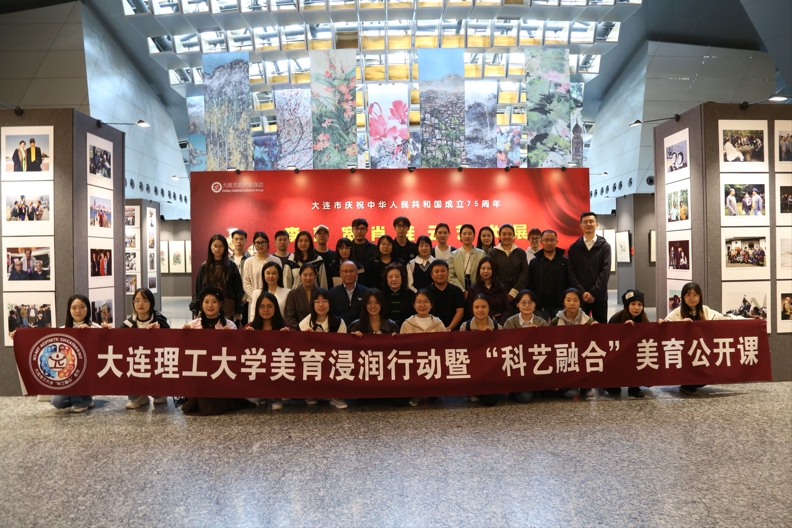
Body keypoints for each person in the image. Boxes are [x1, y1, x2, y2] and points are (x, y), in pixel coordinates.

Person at [181, 288, 255, 416]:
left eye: (214, 302)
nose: (210, 305)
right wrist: (185, 335)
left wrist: (229, 338)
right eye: (206, 302)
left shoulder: (230, 325)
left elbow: (236, 353)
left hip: (221, 371)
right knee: (204, 407)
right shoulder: (192, 325)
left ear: (220, 304)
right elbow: (184, 351)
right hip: (201, 373)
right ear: (201, 304)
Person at [659, 282, 734, 396]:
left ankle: (692, 382)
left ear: (700, 296)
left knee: (707, 374)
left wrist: (751, 321)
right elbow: (667, 327)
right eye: (688, 295)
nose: (692, 298)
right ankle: (686, 383)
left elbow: (724, 319)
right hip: (684, 354)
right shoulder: (677, 313)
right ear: (683, 297)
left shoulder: (706, 310)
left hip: (701, 352)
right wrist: (675, 325)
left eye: (695, 294)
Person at [48, 294, 101, 412]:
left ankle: (82, 401)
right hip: (67, 374)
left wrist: (93, 333)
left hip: (87, 374)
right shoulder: (62, 330)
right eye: (74, 308)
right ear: (69, 310)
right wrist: (18, 336)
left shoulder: (95, 328)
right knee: (57, 402)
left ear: (88, 308)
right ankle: (85, 399)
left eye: (82, 307)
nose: (78, 311)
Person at [298, 288, 349, 410]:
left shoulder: (339, 323)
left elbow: (343, 347)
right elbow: (298, 349)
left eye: (324, 301)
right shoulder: (304, 324)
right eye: (317, 301)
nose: (321, 305)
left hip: (332, 361)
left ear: (330, 303)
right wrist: (306, 338)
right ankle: (311, 393)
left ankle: (335, 395)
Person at [123, 288, 171, 409]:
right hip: (137, 360)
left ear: (151, 302)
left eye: (145, 300)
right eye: (137, 300)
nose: (140, 304)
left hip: (155, 360)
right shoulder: (128, 323)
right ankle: (138, 397)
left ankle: (159, 393)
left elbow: (170, 342)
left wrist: (159, 333)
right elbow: (117, 341)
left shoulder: (160, 321)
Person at [244, 290, 290, 410]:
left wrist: (287, 337)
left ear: (276, 308)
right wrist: (247, 337)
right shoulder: (249, 328)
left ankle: (275, 397)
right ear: (257, 309)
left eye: (269, 306)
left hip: (276, 372)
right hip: (257, 371)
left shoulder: (284, 328)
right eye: (262, 307)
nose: (265, 310)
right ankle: (262, 396)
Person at [550, 288, 597, 400]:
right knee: (571, 393)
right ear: (563, 302)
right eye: (568, 300)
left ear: (580, 302)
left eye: (575, 300)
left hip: (581, 358)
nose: (572, 303)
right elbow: (549, 341)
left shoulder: (588, 320)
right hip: (563, 359)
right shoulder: (556, 321)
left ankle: (585, 386)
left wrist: (596, 329)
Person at [459, 294, 504, 406]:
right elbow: (461, 350)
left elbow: (503, 350)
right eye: (477, 307)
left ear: (489, 308)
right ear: (472, 309)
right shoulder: (465, 326)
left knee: (490, 401)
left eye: (484, 307)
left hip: (491, 371)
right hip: (472, 369)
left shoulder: (497, 327)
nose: (480, 310)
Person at [567, 212, 611, 323]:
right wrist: (582, 292)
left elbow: (605, 272)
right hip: (579, 297)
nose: (588, 224)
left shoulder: (604, 246)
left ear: (597, 224)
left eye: (591, 221)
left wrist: (593, 293)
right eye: (585, 222)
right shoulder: (574, 247)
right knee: (580, 328)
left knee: (600, 328)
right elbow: (571, 272)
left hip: (599, 296)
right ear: (580, 225)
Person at [605, 289, 649, 399]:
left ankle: (634, 386)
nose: (636, 308)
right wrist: (624, 330)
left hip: (634, 355)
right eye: (633, 304)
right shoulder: (616, 319)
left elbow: (649, 338)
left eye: (640, 304)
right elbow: (608, 343)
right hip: (617, 355)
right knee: (614, 391)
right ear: (627, 305)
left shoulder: (643, 319)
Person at [192, 234, 244, 324]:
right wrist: (196, 308)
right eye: (215, 246)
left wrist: (238, 308)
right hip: (208, 304)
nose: (217, 249)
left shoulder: (231, 266)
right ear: (211, 247)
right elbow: (198, 290)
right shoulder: (204, 266)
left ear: (225, 248)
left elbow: (238, 289)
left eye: (221, 246)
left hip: (227, 304)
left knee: (226, 329)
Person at [528, 229, 570, 320]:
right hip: (540, 306)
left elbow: (569, 283)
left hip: (560, 305)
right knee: (541, 328)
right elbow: (530, 284)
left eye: (552, 240)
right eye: (546, 240)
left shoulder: (565, 261)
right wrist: (532, 302)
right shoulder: (534, 262)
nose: (549, 243)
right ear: (541, 242)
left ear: (556, 241)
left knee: (560, 328)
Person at [242, 231, 282, 322]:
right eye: (257, 243)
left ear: (267, 243)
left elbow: (279, 280)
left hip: (273, 300)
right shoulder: (249, 261)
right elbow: (246, 283)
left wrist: (270, 298)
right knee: (255, 325)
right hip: (254, 301)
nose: (260, 245)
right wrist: (257, 297)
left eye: (263, 242)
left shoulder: (276, 260)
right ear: (254, 244)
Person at [489, 224, 529, 300]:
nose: (507, 237)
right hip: (498, 292)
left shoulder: (521, 252)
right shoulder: (493, 253)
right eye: (504, 234)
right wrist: (501, 290)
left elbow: (525, 272)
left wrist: (515, 291)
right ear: (499, 236)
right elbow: (492, 273)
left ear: (514, 235)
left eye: (510, 234)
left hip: (518, 292)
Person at [465, 256, 511, 324]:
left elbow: (506, 309)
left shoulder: (501, 288)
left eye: (489, 268)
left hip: (499, 324)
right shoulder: (473, 289)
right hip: (480, 324)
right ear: (479, 270)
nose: (486, 271)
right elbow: (471, 311)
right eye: (483, 268)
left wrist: (499, 325)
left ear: (493, 270)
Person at [328, 260, 370, 327]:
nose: (348, 274)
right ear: (340, 274)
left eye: (351, 271)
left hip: (360, 329)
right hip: (339, 330)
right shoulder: (332, 292)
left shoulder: (366, 292)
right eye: (345, 271)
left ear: (356, 273)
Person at [427, 260, 465, 331]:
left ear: (448, 272)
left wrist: (449, 328)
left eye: (443, 271)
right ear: (431, 274)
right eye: (436, 271)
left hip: (453, 330)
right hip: (431, 330)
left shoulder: (457, 291)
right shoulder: (426, 292)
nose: (440, 274)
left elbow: (460, 311)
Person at [448, 224, 486, 295]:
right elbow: (450, 275)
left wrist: (476, 289)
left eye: (469, 233)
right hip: (458, 291)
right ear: (460, 236)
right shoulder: (453, 255)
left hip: (478, 291)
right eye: (464, 234)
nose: (467, 236)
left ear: (474, 236)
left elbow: (484, 274)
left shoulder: (481, 253)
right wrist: (462, 290)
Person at [284, 263, 318, 330]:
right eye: (305, 275)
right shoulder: (293, 294)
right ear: (300, 276)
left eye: (311, 275)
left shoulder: (321, 293)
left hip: (318, 331)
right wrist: (301, 328)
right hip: (298, 331)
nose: (308, 278)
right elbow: (290, 317)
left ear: (315, 275)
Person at [382, 262, 415, 327]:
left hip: (408, 329)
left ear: (402, 277)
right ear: (386, 279)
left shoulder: (411, 294)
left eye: (397, 276)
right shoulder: (381, 295)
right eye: (390, 277)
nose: (394, 279)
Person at [230, 229, 250, 323]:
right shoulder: (227, 260)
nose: (239, 241)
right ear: (232, 241)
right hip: (232, 300)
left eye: (241, 239)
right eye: (236, 239)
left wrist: (245, 296)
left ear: (246, 241)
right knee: (232, 326)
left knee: (248, 326)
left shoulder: (250, 259)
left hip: (247, 299)